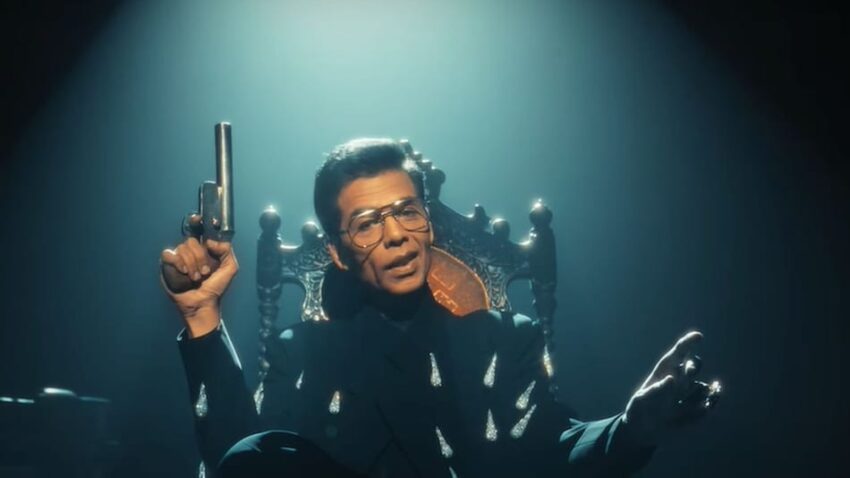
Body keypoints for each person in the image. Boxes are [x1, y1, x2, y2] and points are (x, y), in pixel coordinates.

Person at [160, 138, 720, 477]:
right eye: (367, 223)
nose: (397, 235)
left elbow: (552, 454)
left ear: (426, 221)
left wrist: (630, 429)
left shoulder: (504, 340)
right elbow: (238, 464)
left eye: (407, 211)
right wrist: (201, 314)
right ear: (336, 252)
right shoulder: (303, 353)